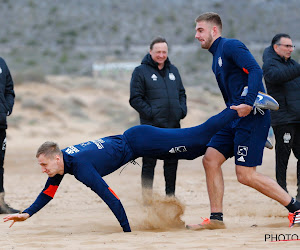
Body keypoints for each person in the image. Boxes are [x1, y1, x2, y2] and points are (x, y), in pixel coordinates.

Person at [2, 92, 279, 231]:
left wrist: (126, 231)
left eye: (44, 165)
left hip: (142, 141)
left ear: (55, 157)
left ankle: (248, 102)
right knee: (193, 151)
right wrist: (27, 213)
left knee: (199, 136)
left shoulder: (81, 168)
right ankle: (249, 137)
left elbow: (111, 198)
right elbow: (47, 193)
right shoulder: (65, 164)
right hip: (137, 142)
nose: (44, 171)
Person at [186, 12, 300, 230]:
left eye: (200, 30)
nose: (196, 35)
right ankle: (216, 219)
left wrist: (248, 103)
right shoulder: (216, 57)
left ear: (214, 30)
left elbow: (255, 70)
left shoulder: (230, 46)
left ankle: (296, 208)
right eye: (196, 30)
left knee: (245, 175)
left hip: (252, 114)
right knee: (210, 159)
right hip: (234, 117)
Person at [130, 36, 187, 198]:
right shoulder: (140, 71)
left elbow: (182, 93)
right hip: (151, 128)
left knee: (171, 164)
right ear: (150, 52)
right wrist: (152, 115)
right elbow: (135, 99)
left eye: (164, 52)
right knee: (149, 164)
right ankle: (147, 200)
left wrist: (181, 111)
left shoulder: (173, 70)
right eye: (158, 52)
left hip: (173, 127)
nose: (161, 55)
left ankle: (170, 197)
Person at [262, 34, 300, 201]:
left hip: (298, 118)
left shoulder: (293, 64)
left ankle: (299, 197)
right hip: (283, 120)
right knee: (282, 159)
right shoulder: (270, 65)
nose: (291, 49)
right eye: (287, 46)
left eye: (292, 46)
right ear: (276, 47)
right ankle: (283, 196)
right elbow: (275, 77)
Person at [0, 57, 19, 214]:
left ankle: (0, 204)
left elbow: (9, 89)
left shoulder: (1, 63)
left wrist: (6, 108)